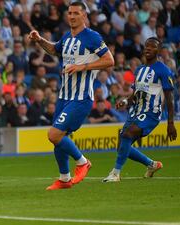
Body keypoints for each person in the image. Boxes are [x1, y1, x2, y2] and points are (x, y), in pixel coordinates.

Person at [28, 1, 114, 190]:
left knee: (54, 134)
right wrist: (40, 39)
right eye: (70, 13)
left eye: (76, 13)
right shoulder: (67, 37)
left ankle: (83, 162)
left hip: (81, 97)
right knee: (60, 138)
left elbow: (109, 60)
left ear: (84, 16)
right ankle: (65, 179)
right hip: (64, 97)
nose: (72, 16)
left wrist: (82, 66)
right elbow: (54, 50)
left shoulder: (92, 37)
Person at [103, 37, 177, 182]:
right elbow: (136, 94)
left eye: (152, 46)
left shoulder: (163, 70)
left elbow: (170, 98)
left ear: (158, 50)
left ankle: (115, 174)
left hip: (151, 113)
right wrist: (125, 101)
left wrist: (170, 123)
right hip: (135, 111)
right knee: (121, 146)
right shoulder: (139, 70)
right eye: (146, 46)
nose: (148, 49)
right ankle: (152, 165)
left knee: (127, 134)